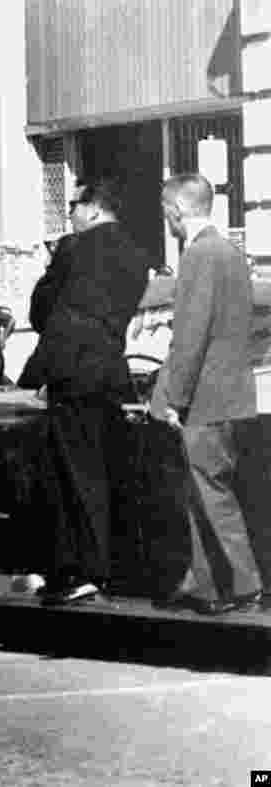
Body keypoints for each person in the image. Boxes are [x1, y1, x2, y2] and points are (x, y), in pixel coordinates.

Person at [19, 177, 152, 605]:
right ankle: (110, 567)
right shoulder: (137, 256)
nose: (70, 214)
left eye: (73, 206)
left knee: (71, 474)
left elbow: (39, 311)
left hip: (69, 370)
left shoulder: (73, 248)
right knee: (104, 469)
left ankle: (80, 571)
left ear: (92, 209)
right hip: (110, 370)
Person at [151, 173, 263, 615]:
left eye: (166, 215)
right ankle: (206, 584)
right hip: (232, 392)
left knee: (211, 492)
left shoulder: (199, 255)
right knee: (203, 490)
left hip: (204, 398)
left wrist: (172, 399)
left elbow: (190, 336)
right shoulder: (232, 252)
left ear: (176, 210)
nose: (167, 223)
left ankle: (243, 584)